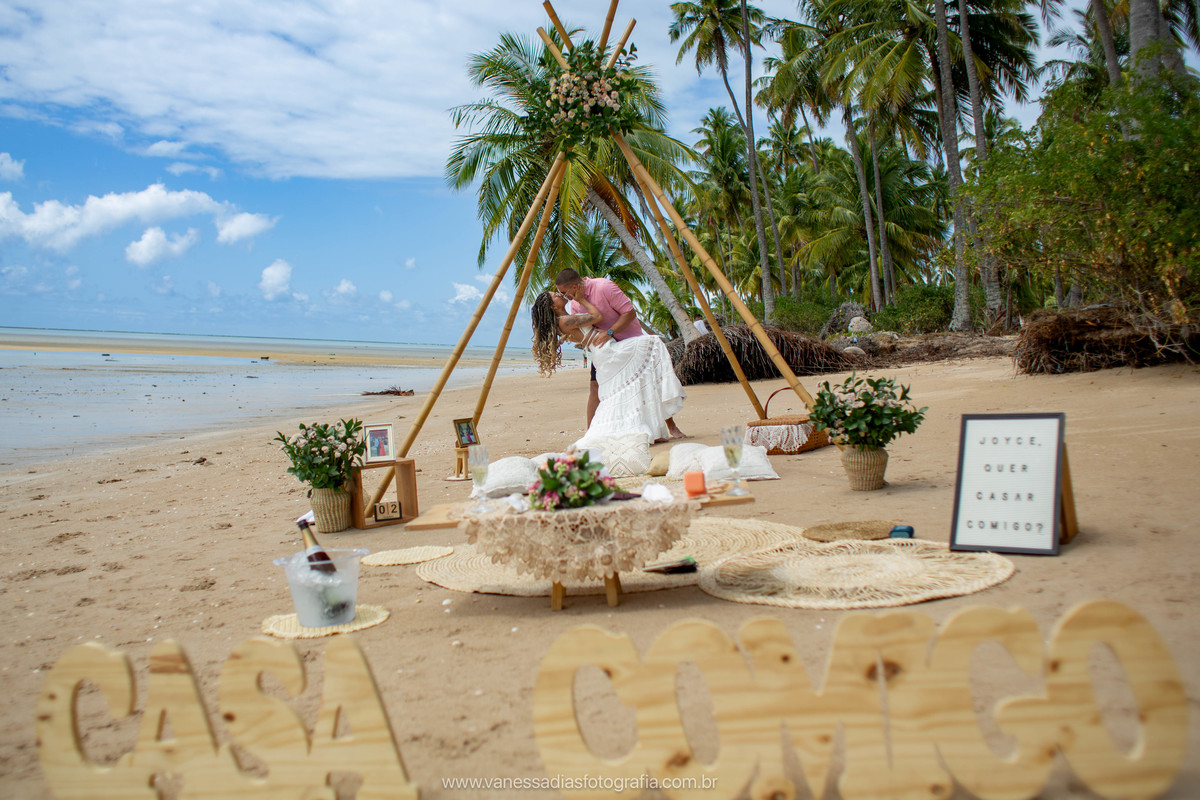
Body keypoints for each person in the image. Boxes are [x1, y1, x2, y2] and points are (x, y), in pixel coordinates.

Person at [531, 289, 685, 446]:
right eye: (554, 296)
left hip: (605, 351)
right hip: (607, 352)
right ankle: (660, 424)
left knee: (640, 378)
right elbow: (597, 316)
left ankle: (654, 426)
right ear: (552, 306)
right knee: (654, 343)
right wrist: (583, 300)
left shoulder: (565, 318)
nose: (558, 295)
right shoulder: (564, 321)